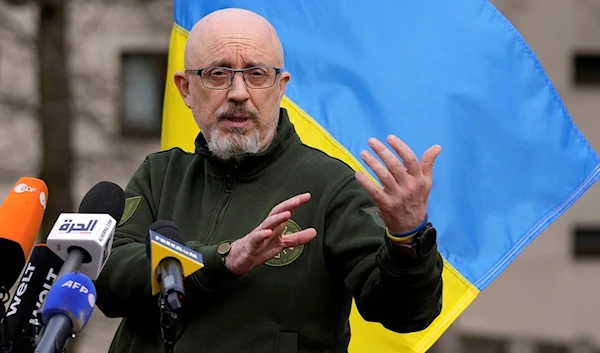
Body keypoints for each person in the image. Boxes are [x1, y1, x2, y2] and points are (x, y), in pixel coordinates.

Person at [95, 7, 443, 353]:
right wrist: (223, 260)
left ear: (280, 87)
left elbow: (405, 313)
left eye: (257, 74)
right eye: (218, 74)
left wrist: (408, 240)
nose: (239, 93)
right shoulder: (161, 175)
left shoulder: (331, 186)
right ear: (186, 89)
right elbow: (109, 281)